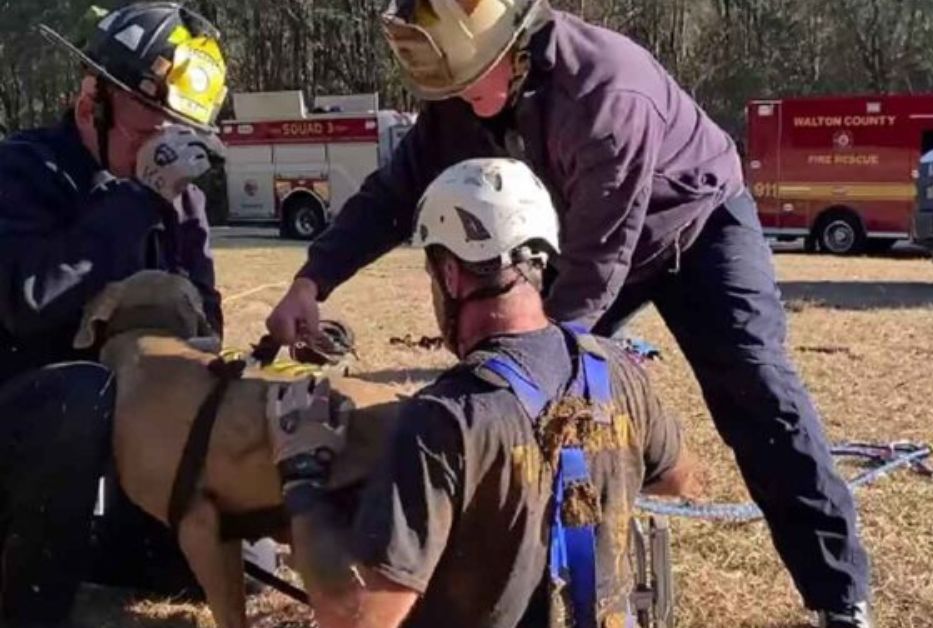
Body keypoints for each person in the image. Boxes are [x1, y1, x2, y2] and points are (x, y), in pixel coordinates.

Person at [265, 1, 872, 625]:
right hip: (582, 230)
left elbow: (594, 265)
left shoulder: (608, 95)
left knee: (758, 393)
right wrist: (314, 280)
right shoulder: (467, 83)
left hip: (698, 226)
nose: (459, 100)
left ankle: (839, 598)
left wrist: (537, 373)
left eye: (468, 85)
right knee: (497, 398)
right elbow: (394, 191)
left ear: (516, 46)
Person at [265, 158, 695, 627]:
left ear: (450, 274)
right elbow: (679, 479)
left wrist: (302, 478)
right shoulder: (615, 370)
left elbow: (356, 620)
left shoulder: (445, 418)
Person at [0, 3, 228, 623]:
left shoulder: (181, 204)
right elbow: (28, 300)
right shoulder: (22, 170)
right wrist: (134, 201)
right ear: (88, 103)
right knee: (82, 390)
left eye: (182, 137)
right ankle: (29, 601)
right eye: (151, 134)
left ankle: (123, 551)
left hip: (126, 438)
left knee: (224, 553)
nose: (168, 155)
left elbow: (207, 324)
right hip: (28, 424)